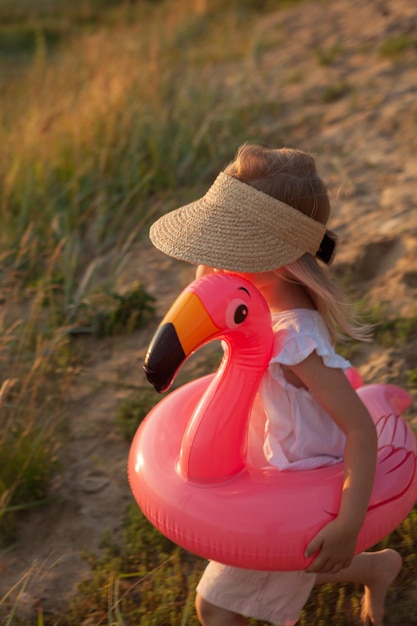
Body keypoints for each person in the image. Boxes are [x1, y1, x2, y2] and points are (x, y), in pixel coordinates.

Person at [148, 144, 402, 626]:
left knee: (217, 608)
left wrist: (347, 526)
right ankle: (377, 568)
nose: (213, 260)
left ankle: (369, 560)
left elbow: (361, 431)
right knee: (283, 569)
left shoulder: (297, 339)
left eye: (227, 247)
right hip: (267, 450)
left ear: (275, 259)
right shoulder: (254, 297)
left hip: (303, 474)